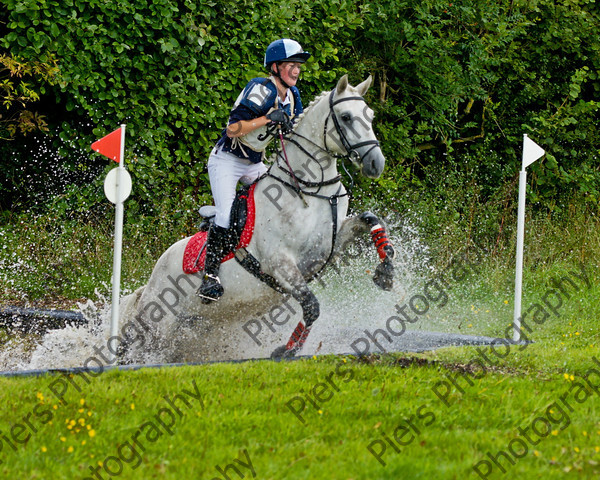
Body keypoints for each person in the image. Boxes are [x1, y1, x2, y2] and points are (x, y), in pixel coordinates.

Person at [196, 39, 311, 303]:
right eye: (291, 65)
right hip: (227, 161)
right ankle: (210, 276)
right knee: (226, 214)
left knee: (280, 202)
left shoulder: (293, 97)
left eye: (298, 66)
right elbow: (233, 129)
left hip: (255, 164)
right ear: (275, 67)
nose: (296, 71)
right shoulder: (261, 89)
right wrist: (268, 118)